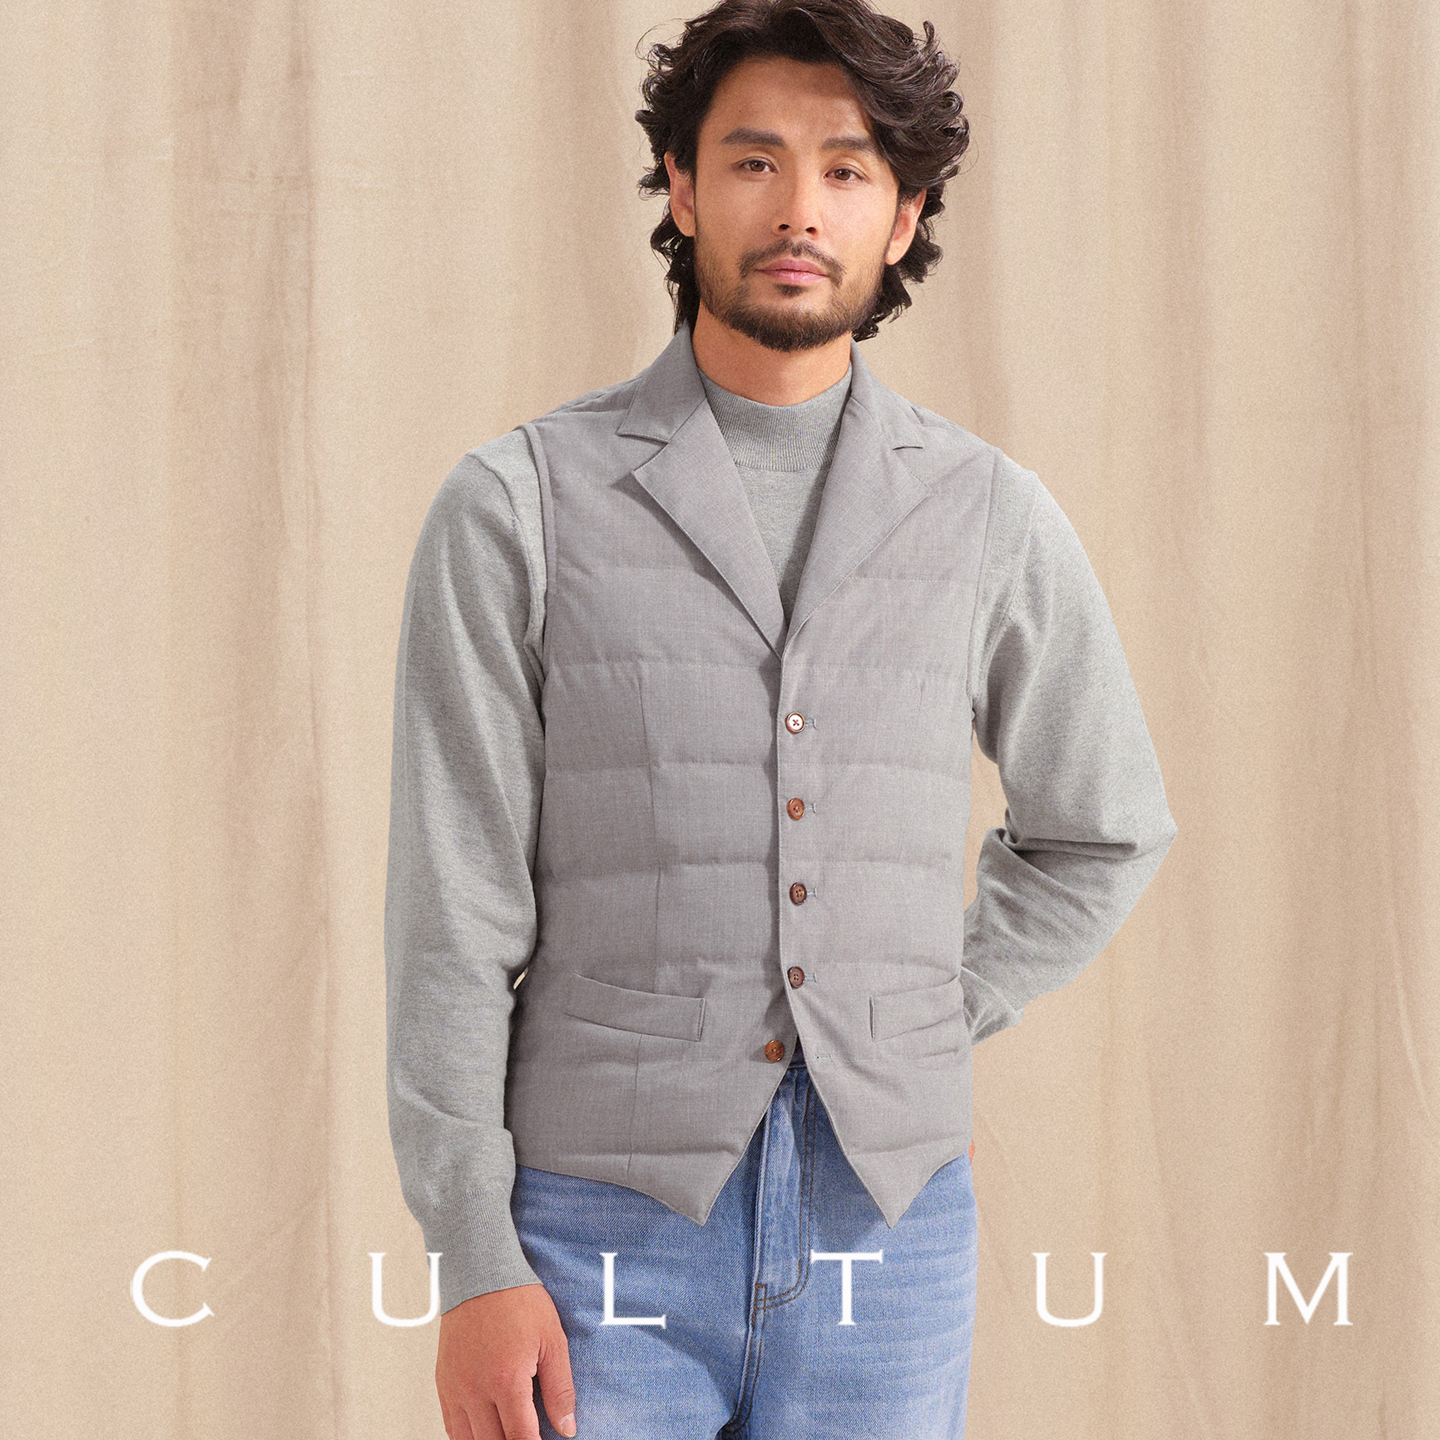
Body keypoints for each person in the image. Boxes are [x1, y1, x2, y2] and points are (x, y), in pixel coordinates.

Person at [383, 1, 1177, 1437]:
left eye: (848, 169)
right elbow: (455, 911)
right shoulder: (517, 505)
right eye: (753, 160)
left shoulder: (986, 512)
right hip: (590, 1227)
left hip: (891, 1231)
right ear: (682, 189)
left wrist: (919, 1007)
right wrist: (472, 1256)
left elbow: (1105, 827)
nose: (800, 208)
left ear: (904, 215)